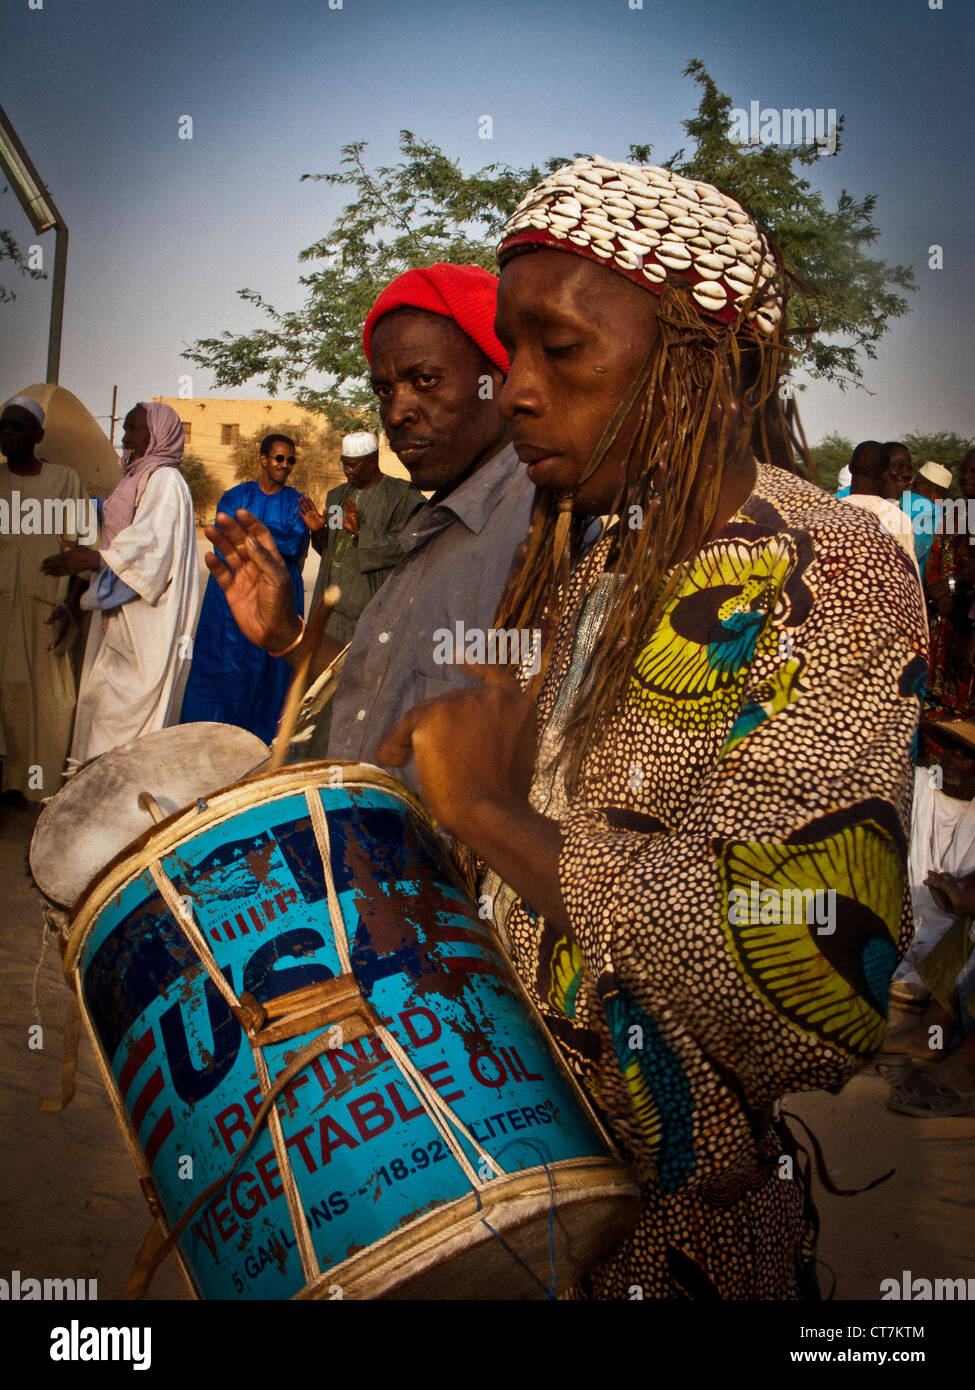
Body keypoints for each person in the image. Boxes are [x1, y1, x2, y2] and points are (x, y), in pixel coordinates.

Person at [375, 156, 928, 1298]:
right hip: (526, 1173)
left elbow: (812, 973)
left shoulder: (834, 568)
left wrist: (485, 810)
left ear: (703, 356)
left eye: (559, 348)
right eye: (511, 351)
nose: (513, 390)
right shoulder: (610, 562)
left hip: (683, 1245)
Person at [204, 263, 534, 793]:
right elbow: (376, 685)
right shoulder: (440, 520)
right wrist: (288, 633)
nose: (398, 411)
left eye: (425, 381)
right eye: (384, 390)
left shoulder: (541, 528)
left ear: (495, 380)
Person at [43, 401, 199, 764]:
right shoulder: (136, 477)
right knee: (101, 702)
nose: (125, 437)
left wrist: (99, 558)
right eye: (125, 428)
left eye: (133, 429)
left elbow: (151, 542)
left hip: (146, 618)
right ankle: (93, 795)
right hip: (119, 611)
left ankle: (118, 804)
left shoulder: (166, 481)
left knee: (122, 715)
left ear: (158, 434)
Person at [179, 434, 311, 743]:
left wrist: (251, 537)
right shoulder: (236, 496)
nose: (286, 465)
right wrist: (267, 540)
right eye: (280, 458)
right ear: (263, 459)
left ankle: (261, 751)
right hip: (230, 602)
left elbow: (294, 544)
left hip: (276, 598)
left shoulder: (297, 502)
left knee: (271, 672)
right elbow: (226, 539)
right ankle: (211, 743)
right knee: (222, 668)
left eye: (291, 460)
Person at [0, 396, 88, 805]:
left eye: (18, 427)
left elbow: (85, 549)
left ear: (38, 436)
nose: (8, 434)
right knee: (7, 696)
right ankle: (9, 784)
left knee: (51, 703)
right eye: (4, 426)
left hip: (46, 610)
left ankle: (41, 790)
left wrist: (71, 605)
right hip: (2, 609)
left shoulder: (66, 480)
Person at [297, 430, 423, 647]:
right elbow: (331, 551)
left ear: (372, 462)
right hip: (331, 611)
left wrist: (360, 534)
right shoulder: (338, 495)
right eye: (343, 464)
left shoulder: (403, 497)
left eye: (352, 466)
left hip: (371, 609)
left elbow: (409, 546)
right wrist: (318, 532)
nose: (346, 471)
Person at [925, 451, 975, 720]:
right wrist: (948, 590)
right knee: (937, 716)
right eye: (964, 471)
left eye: (973, 473)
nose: (966, 477)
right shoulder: (954, 516)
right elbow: (934, 577)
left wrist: (952, 585)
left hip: (969, 630)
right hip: (944, 626)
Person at [843, 440, 918, 563]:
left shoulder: (833, 509)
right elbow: (909, 569)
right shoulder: (897, 518)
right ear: (885, 472)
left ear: (850, 467)